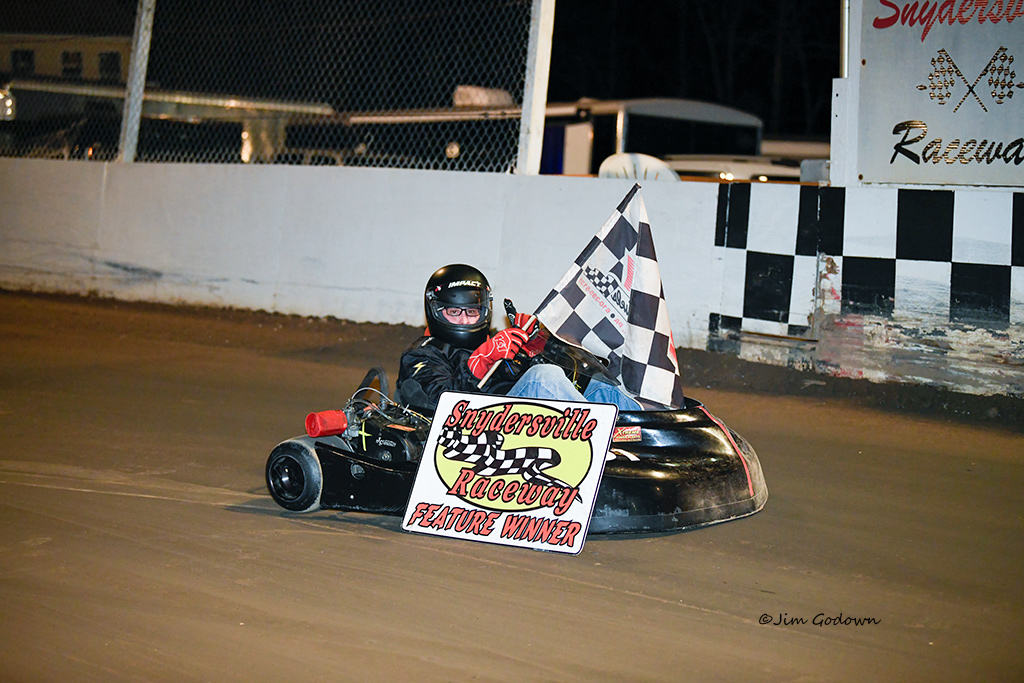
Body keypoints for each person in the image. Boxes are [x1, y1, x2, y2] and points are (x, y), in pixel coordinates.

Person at [396, 264, 640, 415]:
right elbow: (438, 406)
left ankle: (648, 430)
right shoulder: (422, 354)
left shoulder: (497, 343)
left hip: (522, 424)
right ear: (436, 311)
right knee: (543, 378)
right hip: (476, 433)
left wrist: (539, 347)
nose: (464, 320)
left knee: (594, 383)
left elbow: (526, 382)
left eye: (472, 312)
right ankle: (600, 439)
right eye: (454, 312)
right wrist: (479, 365)